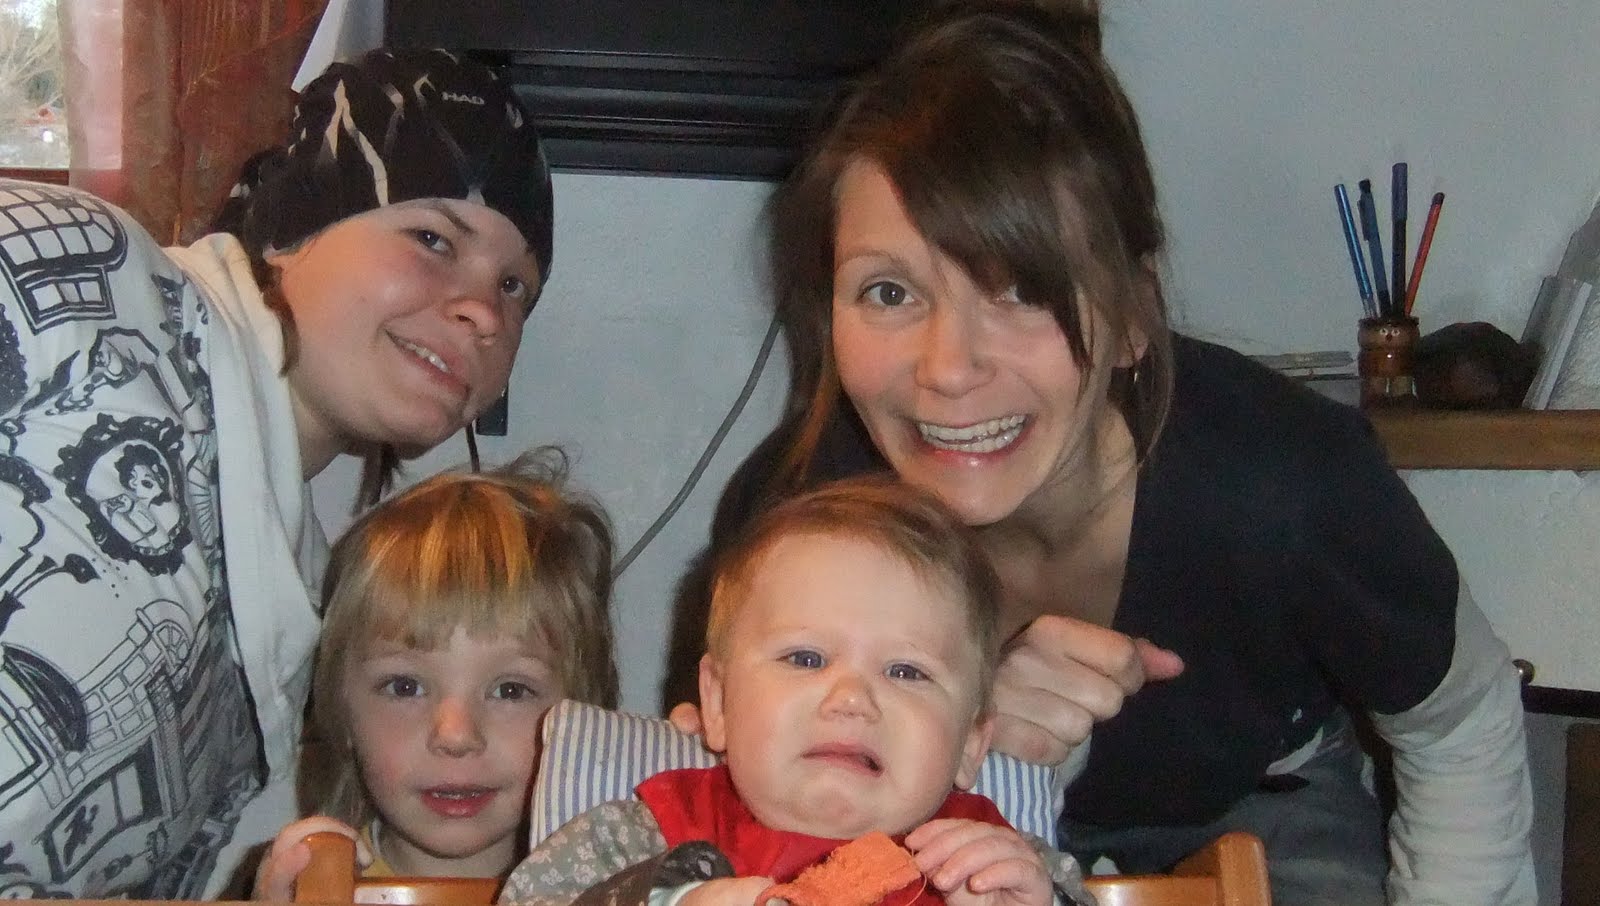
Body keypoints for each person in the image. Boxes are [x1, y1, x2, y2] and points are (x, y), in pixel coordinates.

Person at [668, 3, 1536, 904]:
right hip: (923, 823)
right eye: (889, 292)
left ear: (1129, 316)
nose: (948, 370)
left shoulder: (1284, 483)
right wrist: (1001, 756)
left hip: (1259, 810)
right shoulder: (798, 518)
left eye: (1019, 291)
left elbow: (1461, 728)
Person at [0, 48, 554, 898]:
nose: (484, 311)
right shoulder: (77, 276)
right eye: (433, 239)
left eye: (516, 288)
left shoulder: (288, 623)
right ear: (293, 229)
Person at [502, 476, 1090, 906]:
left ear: (971, 742)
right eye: (805, 659)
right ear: (717, 703)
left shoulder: (999, 862)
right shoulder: (640, 835)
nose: (852, 698)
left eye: (906, 672)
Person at [251, 453, 619, 899]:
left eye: (510, 690)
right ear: (341, 711)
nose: (456, 736)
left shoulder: (618, 889)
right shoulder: (314, 888)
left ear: (587, 720)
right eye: (405, 687)